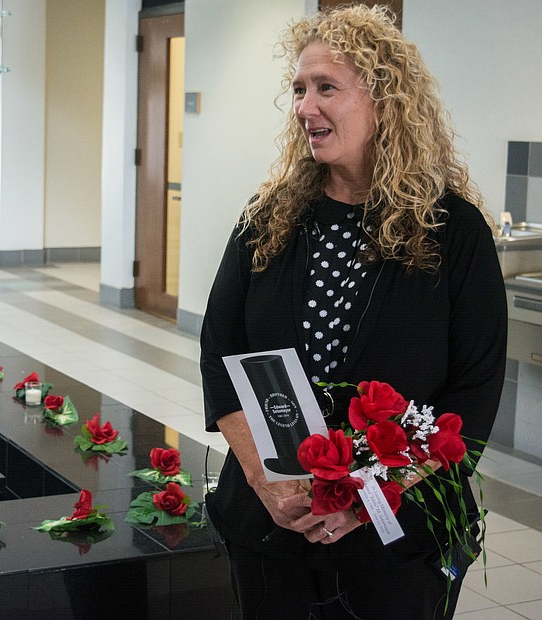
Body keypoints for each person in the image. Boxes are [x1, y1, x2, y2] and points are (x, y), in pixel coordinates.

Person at [200, 5, 507, 619]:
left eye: (326, 88)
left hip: (399, 537)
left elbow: (471, 395)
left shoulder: (453, 232)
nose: (305, 107)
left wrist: (366, 496)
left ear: (385, 102)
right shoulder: (267, 220)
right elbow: (221, 355)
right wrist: (268, 482)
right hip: (270, 527)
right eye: (299, 89)